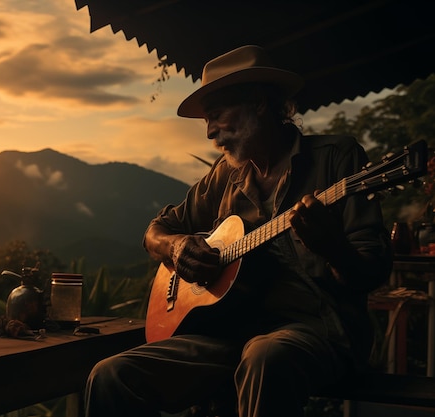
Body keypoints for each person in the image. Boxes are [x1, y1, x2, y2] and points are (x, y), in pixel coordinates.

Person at [83, 45, 393, 417]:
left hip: (316, 331)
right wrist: (177, 246)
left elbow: (371, 270)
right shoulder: (225, 175)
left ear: (260, 103)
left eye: (216, 116)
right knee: (112, 375)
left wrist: (332, 248)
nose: (211, 132)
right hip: (230, 333)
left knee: (265, 356)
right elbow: (156, 232)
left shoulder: (336, 159)